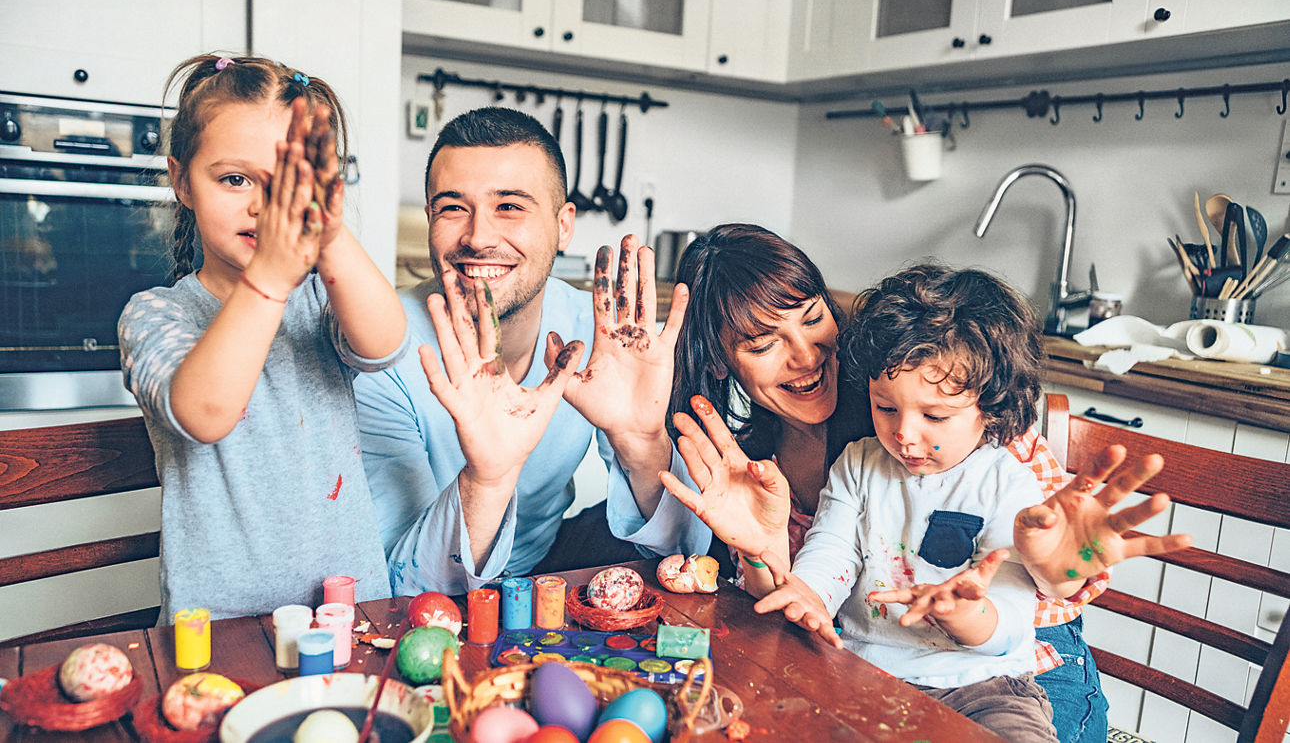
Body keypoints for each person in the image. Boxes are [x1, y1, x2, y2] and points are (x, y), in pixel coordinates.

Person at [660, 226, 1190, 743]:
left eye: (814, 317)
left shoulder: (1001, 463)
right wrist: (800, 584)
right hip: (868, 671)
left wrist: (1001, 596)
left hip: (988, 680)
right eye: (885, 409)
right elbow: (830, 554)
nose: (905, 436)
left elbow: (1018, 612)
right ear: (720, 360)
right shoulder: (843, 460)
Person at [355, 107, 710, 596]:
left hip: (546, 566)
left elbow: (686, 560)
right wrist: (487, 479)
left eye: (509, 206)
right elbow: (395, 582)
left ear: (564, 226)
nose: (478, 237)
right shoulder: (380, 349)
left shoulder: (599, 333)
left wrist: (640, 441)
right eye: (453, 207)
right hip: (431, 586)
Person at [118, 53, 408, 620]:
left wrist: (333, 236)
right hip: (221, 628)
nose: (261, 205)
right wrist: (270, 277)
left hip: (347, 611)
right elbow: (205, 413)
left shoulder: (322, 297)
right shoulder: (155, 315)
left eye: (286, 184)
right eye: (234, 179)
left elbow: (385, 343)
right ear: (182, 181)